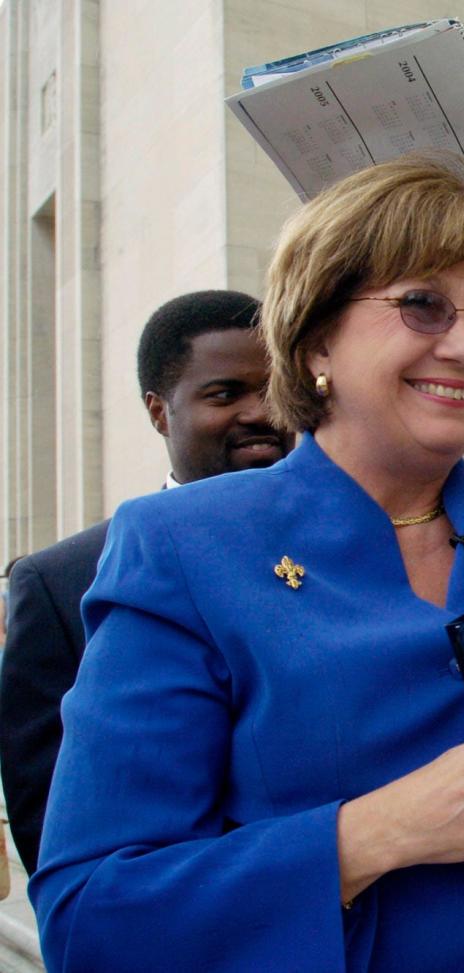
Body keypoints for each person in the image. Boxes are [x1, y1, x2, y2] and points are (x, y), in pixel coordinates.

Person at [31, 156, 464, 971]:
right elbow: (90, 915)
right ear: (316, 340)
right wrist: (377, 831)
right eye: (422, 306)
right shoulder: (183, 547)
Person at [0, 289, 293, 876]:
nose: (261, 413)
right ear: (160, 411)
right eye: (225, 393)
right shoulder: (62, 583)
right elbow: (57, 845)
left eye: (276, 390)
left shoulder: (358, 545)